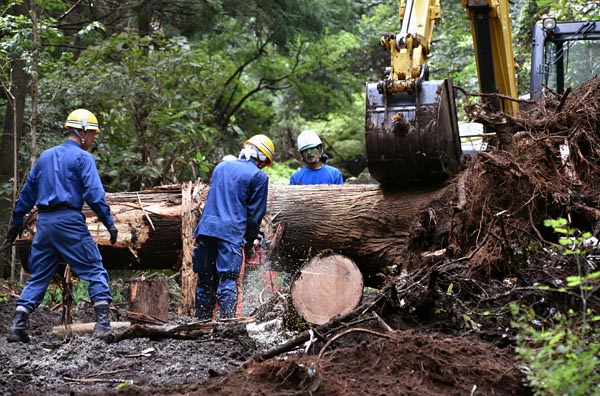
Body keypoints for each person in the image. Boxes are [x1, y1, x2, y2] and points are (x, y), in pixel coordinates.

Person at [5, 109, 118, 343]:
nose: (93, 140)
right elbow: (94, 195)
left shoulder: (46, 156)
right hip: (69, 221)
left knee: (40, 275)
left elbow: (27, 194)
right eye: (93, 134)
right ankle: (103, 324)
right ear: (84, 132)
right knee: (94, 267)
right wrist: (109, 223)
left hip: (44, 225)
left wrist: (16, 222)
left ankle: (17, 324)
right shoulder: (83, 158)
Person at [192, 134, 274, 319]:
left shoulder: (221, 167)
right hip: (230, 235)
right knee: (227, 279)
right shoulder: (259, 177)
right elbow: (254, 216)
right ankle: (227, 328)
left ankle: (201, 325)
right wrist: (249, 241)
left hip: (205, 231)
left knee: (205, 281)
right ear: (262, 158)